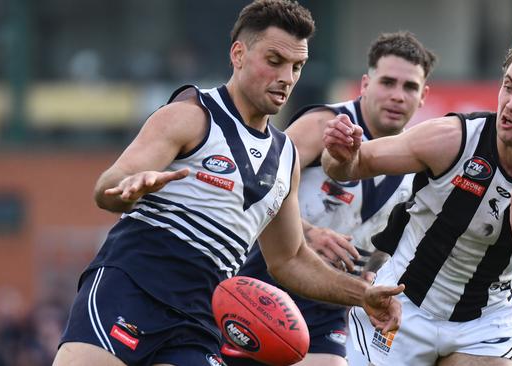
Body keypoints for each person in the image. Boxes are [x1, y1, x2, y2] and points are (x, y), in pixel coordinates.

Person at [51, 1, 407, 365]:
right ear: (238, 53)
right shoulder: (190, 116)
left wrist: (361, 294)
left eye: (297, 66)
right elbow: (107, 187)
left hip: (200, 317)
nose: (287, 76)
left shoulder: (286, 158)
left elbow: (291, 259)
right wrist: (129, 189)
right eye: (274, 61)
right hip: (129, 289)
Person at [322, 29, 512, 366]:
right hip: (402, 302)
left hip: (483, 324)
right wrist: (340, 153)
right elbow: (350, 166)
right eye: (509, 86)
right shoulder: (452, 139)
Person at [222, 31, 436, 366]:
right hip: (270, 279)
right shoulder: (326, 124)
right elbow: (255, 183)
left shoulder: (412, 161)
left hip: (332, 299)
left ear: (423, 96)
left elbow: (383, 241)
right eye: (388, 82)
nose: (397, 95)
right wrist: (307, 231)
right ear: (366, 84)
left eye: (409, 87)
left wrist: (374, 274)